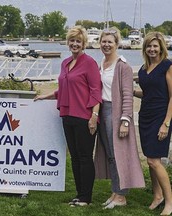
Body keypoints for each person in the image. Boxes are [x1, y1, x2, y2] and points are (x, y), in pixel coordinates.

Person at [34, 26, 102, 206]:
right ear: (68, 42)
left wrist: (94, 116)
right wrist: (45, 96)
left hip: (84, 117)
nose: (74, 44)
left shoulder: (90, 63)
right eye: (72, 40)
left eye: (78, 41)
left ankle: (86, 197)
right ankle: (79, 195)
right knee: (75, 157)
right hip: (67, 114)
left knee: (85, 156)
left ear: (84, 44)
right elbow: (65, 88)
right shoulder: (65, 63)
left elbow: (96, 91)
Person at [94, 27, 145, 209]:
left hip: (115, 113)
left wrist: (125, 120)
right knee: (110, 155)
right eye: (104, 41)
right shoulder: (101, 63)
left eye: (110, 42)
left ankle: (122, 196)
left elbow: (127, 95)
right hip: (102, 111)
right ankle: (115, 192)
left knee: (118, 155)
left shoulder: (122, 66)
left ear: (117, 44)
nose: (106, 45)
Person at [134, 31, 172, 215]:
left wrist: (166, 123)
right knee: (150, 160)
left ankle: (169, 203)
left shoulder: (167, 66)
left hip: (160, 117)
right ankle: (157, 196)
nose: (152, 49)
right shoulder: (143, 68)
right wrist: (131, 92)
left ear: (161, 47)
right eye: (149, 45)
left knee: (154, 160)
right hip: (145, 116)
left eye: (155, 46)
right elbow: (148, 92)